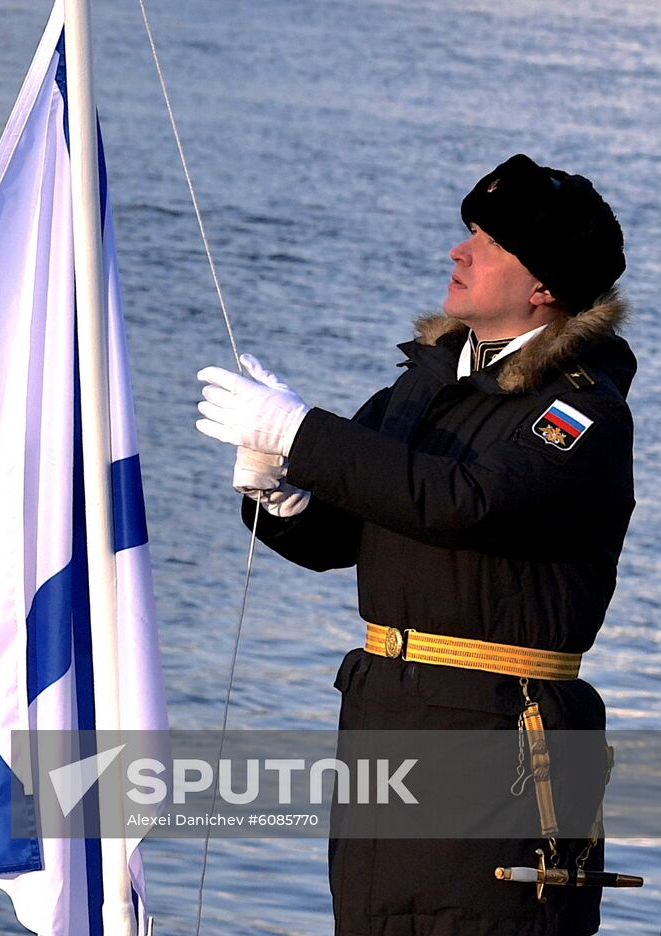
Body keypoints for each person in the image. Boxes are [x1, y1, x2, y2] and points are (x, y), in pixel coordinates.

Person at [194, 154, 632, 936]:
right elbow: (346, 531)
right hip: (384, 731)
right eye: (467, 232)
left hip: (503, 745)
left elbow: (469, 503)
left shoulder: (581, 413)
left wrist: (303, 432)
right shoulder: (421, 389)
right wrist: (278, 489)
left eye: (488, 242)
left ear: (545, 287)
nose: (460, 253)